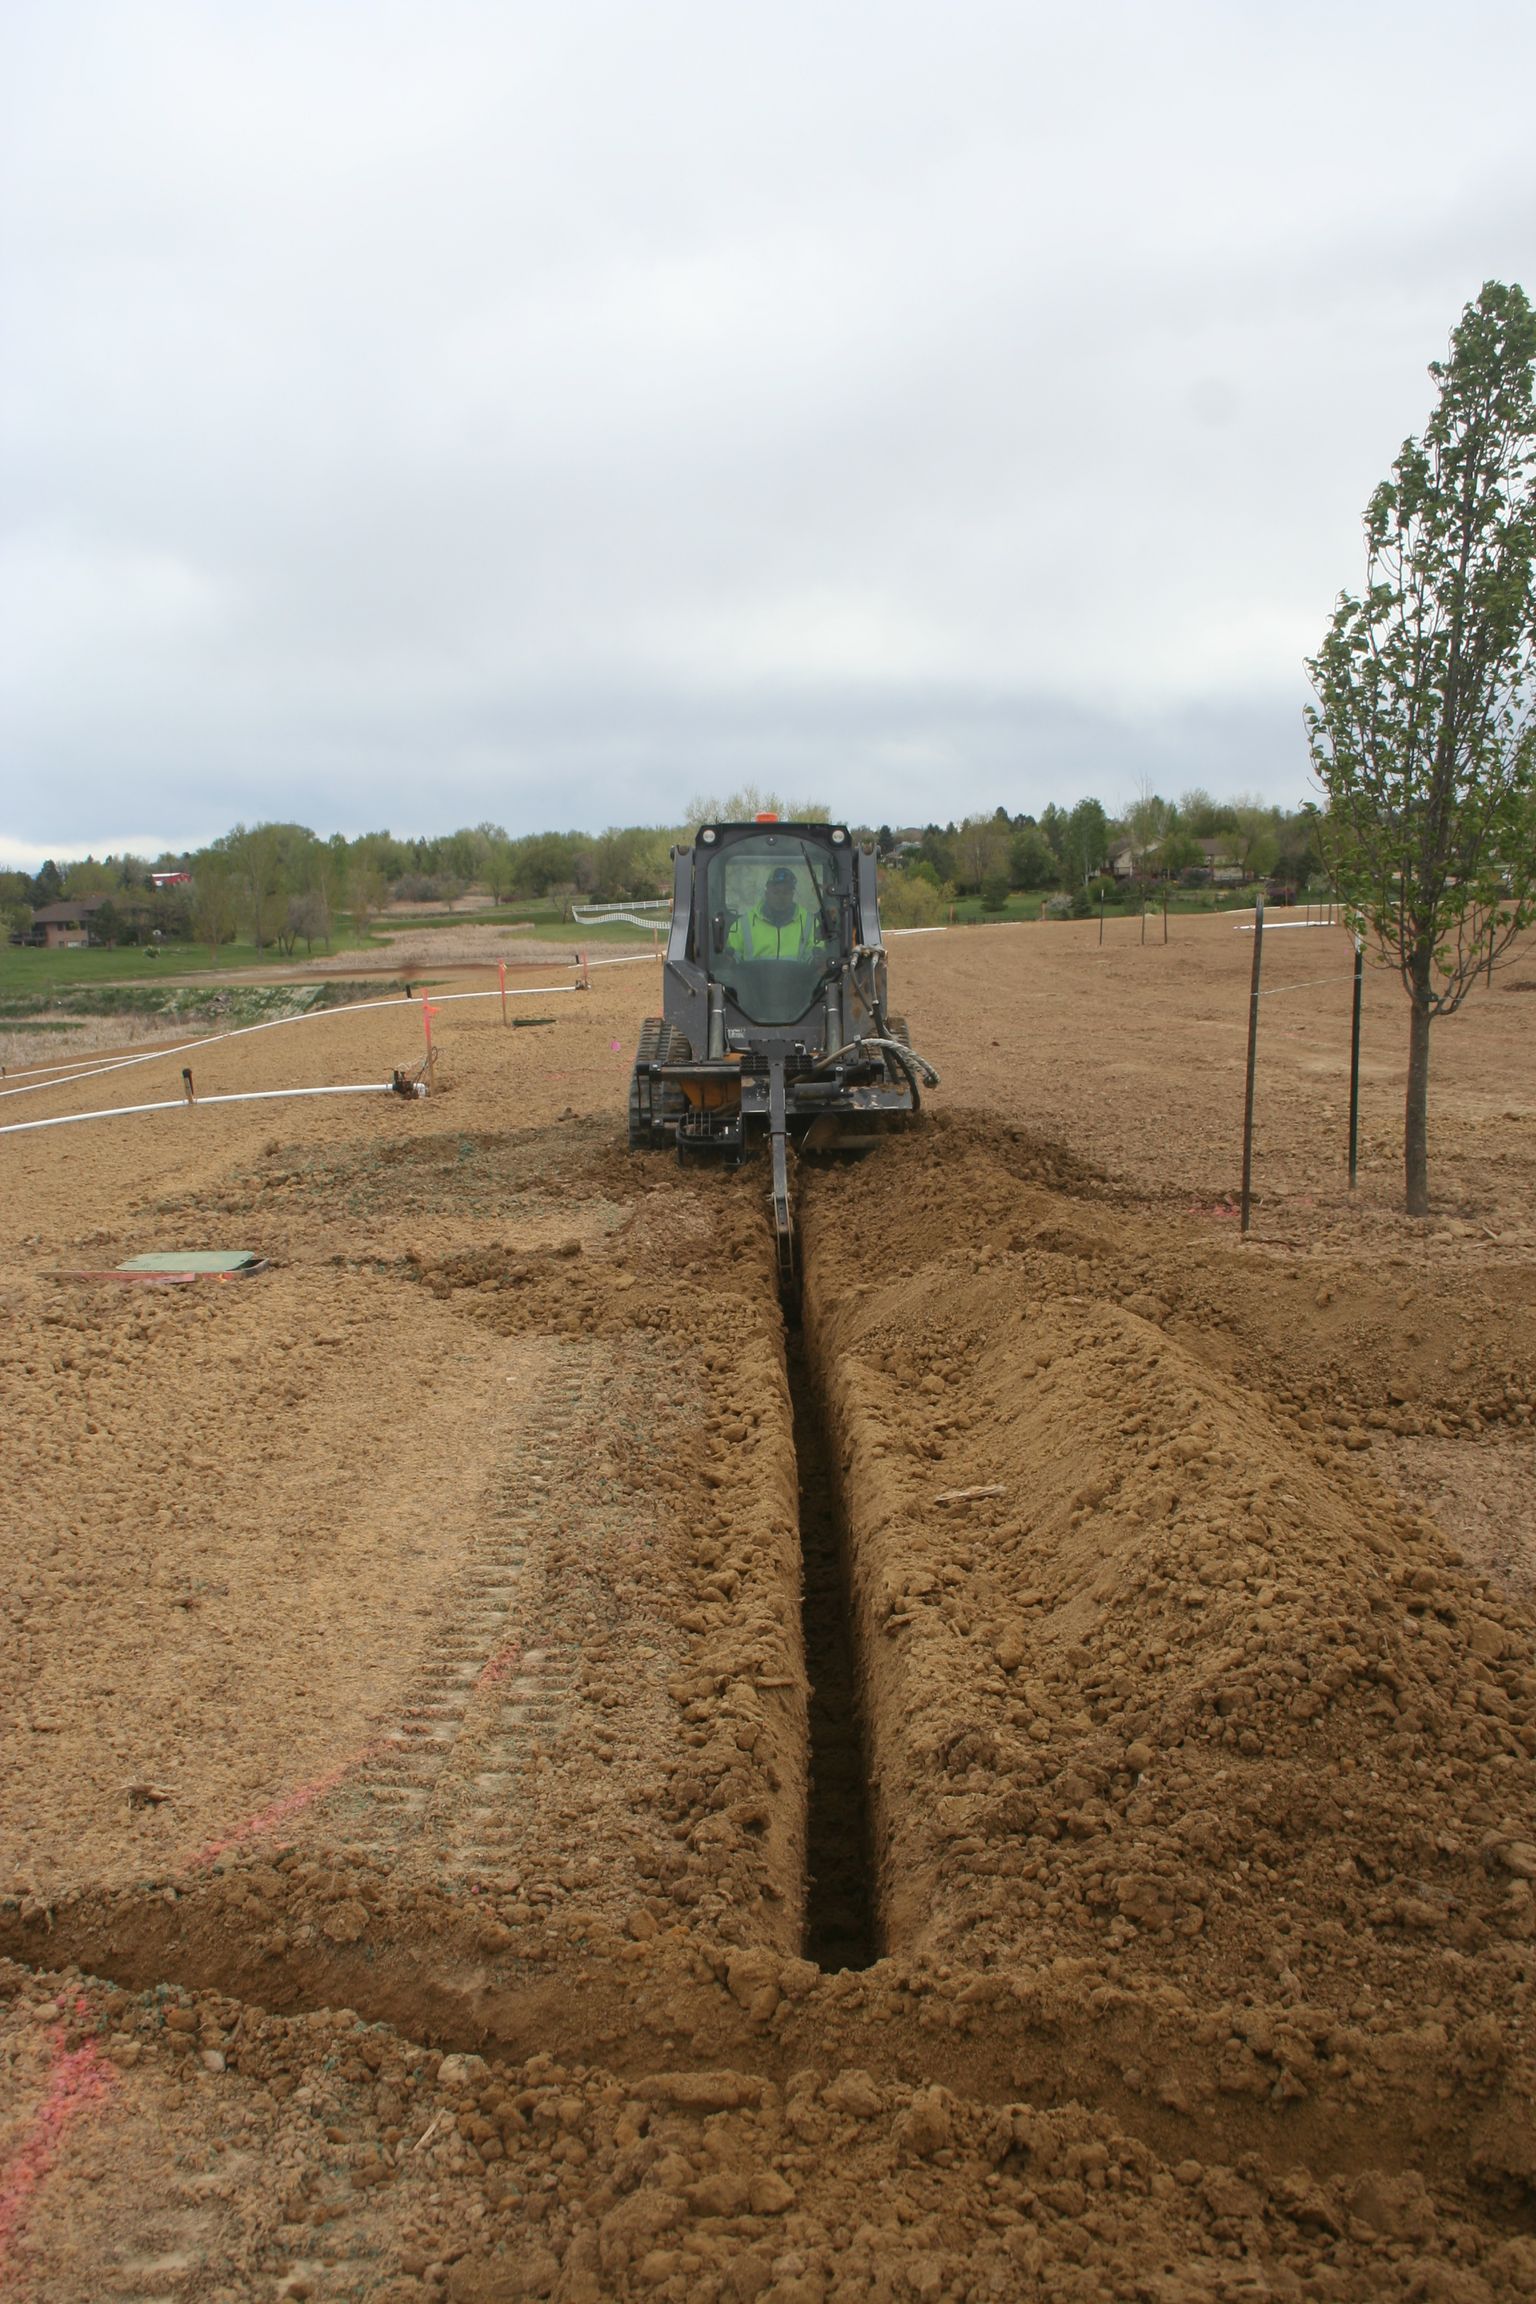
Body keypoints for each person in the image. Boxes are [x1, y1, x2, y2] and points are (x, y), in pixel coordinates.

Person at [726, 865, 821, 959]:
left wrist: (816, 960)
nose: (781, 897)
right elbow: (732, 958)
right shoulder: (743, 924)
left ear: (792, 895)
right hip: (753, 975)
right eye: (776, 892)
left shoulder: (810, 923)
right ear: (766, 893)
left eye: (786, 892)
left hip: (800, 975)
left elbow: (817, 956)